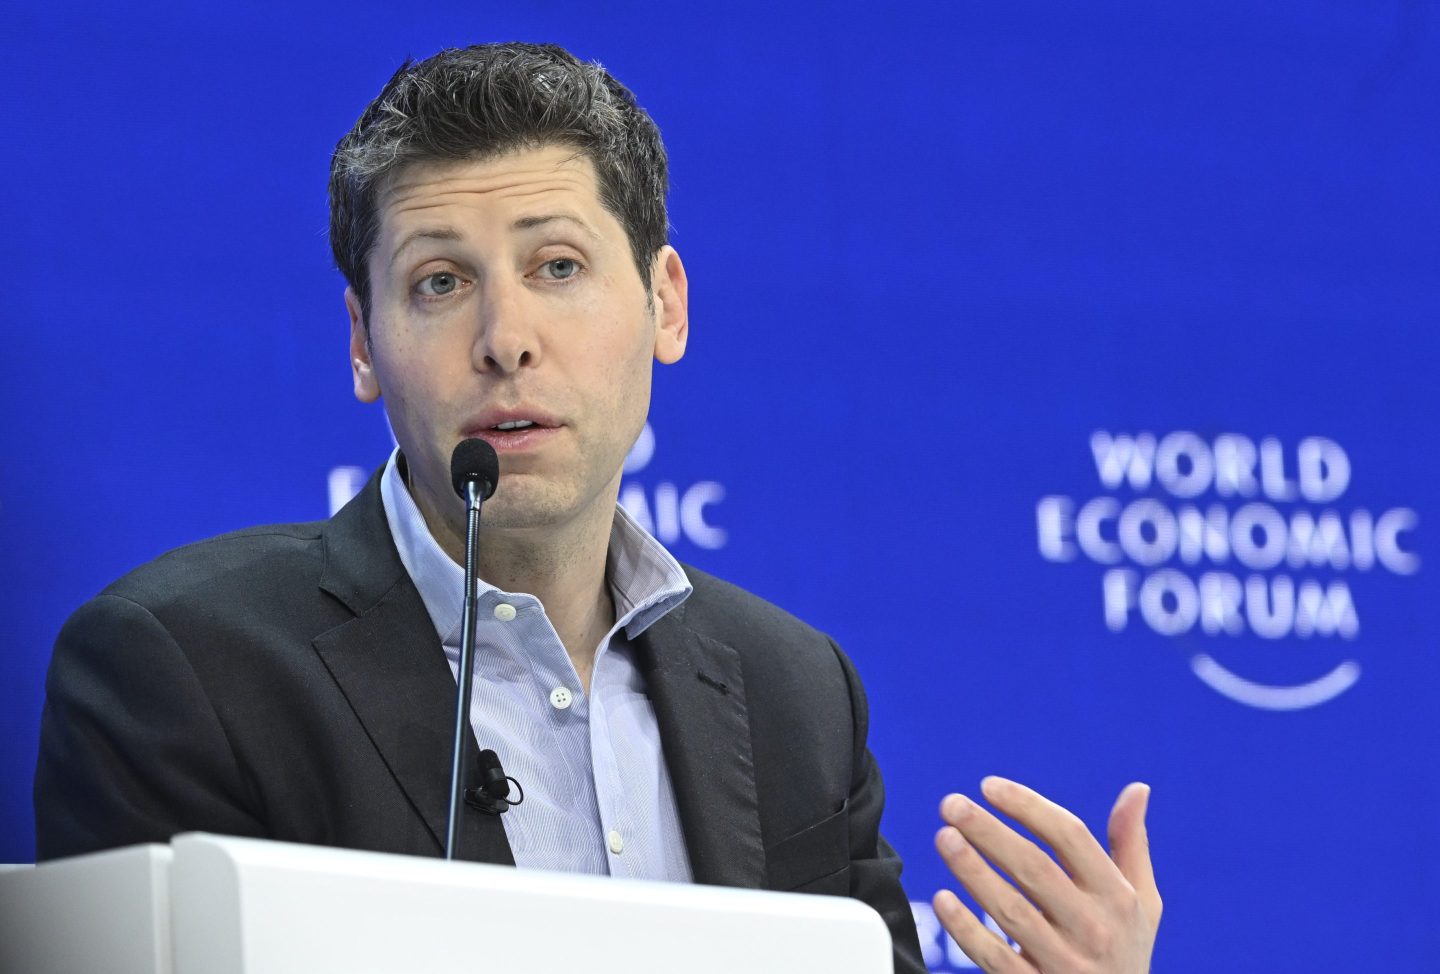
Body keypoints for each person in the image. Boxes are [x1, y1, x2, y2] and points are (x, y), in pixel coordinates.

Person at [35, 43, 1160, 973]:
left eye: (558, 265)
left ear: (665, 304)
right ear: (363, 346)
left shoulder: (793, 690)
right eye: (439, 280)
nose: (505, 336)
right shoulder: (184, 668)